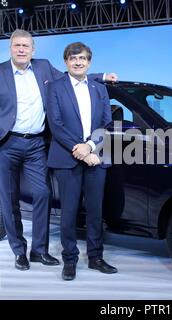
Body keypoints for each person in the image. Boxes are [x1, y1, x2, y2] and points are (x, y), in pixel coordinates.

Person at [0, 29, 117, 271]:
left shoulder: (42, 68)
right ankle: (19, 251)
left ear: (33, 50)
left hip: (36, 144)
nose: (21, 49)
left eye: (26, 46)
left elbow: (72, 77)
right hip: (6, 143)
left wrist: (101, 76)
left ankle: (39, 251)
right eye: (17, 45)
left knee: (42, 194)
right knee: (9, 200)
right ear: (11, 48)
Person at [46, 42, 116, 281]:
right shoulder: (55, 88)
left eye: (83, 58)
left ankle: (96, 257)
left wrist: (90, 146)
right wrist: (81, 149)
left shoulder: (99, 89)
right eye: (73, 58)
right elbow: (55, 124)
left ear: (89, 62)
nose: (78, 62)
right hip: (67, 158)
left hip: (96, 157)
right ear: (66, 62)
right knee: (69, 213)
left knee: (96, 212)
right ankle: (70, 260)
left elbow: (106, 123)